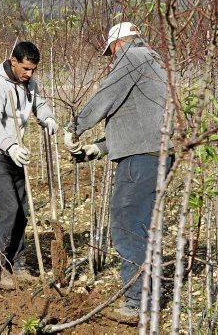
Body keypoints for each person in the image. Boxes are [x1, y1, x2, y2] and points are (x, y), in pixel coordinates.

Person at [63, 22, 173, 323]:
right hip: (154, 154)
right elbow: (138, 119)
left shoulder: (131, 57)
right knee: (144, 226)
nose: (112, 57)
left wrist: (76, 125)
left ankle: (137, 302)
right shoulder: (154, 60)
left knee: (127, 224)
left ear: (119, 43)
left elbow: (107, 95)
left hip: (140, 159)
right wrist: (99, 147)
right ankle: (147, 298)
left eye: (111, 51)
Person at [0, 41, 58, 289]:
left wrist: (47, 117)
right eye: (25, 68)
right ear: (13, 61)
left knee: (23, 209)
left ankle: (18, 262)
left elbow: (39, 102)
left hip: (17, 153)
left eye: (33, 70)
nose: (29, 74)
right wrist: (10, 145)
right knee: (9, 208)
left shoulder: (28, 83)